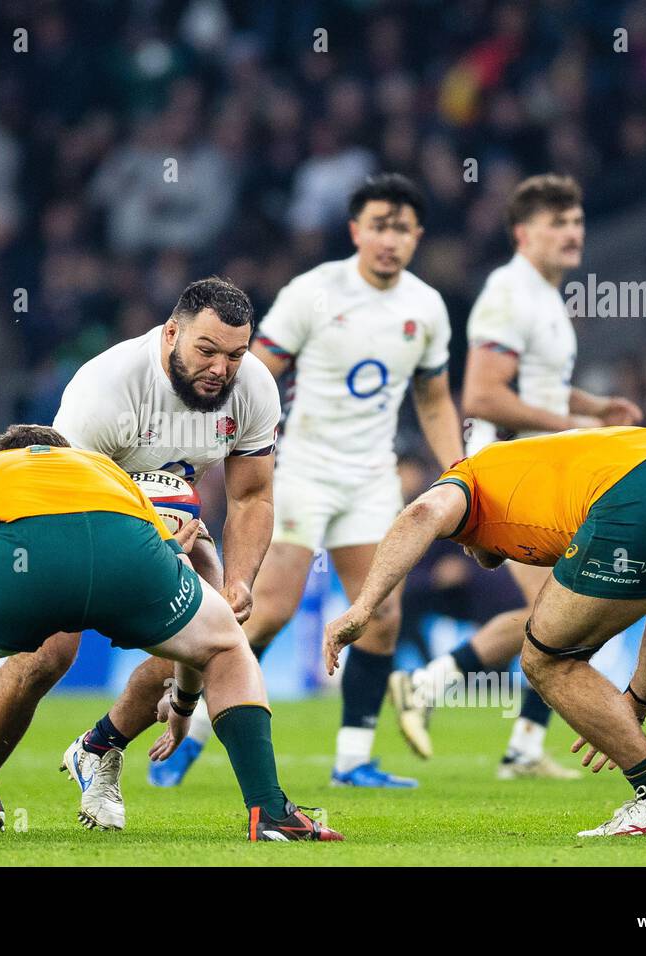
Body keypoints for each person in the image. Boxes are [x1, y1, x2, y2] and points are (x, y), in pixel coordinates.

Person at [0, 277, 280, 831]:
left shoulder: (254, 387)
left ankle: (91, 749)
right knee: (49, 657)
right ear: (172, 333)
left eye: (236, 355)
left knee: (215, 627)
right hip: (94, 517)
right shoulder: (107, 384)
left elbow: (251, 496)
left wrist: (241, 580)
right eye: (207, 351)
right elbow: (59, 489)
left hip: (175, 524)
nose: (222, 369)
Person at [0, 425, 341, 843]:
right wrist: (182, 702)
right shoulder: (101, 470)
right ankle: (271, 811)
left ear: (2, 455)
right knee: (227, 646)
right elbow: (205, 585)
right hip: (126, 550)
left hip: (18, 562)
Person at [325, 426, 646, 837]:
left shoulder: (470, 477)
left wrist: (364, 606)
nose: (469, 553)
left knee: (545, 658)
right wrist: (632, 707)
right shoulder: (539, 472)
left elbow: (422, 514)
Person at [155, 173, 463, 789]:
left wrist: (460, 469)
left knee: (380, 615)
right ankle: (190, 729)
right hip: (302, 471)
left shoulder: (426, 307)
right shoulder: (312, 293)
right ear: (355, 230)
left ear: (417, 236)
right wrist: (217, 452)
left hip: (372, 479)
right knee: (267, 610)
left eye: (402, 228)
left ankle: (352, 760)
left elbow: (433, 398)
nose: (389, 239)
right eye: (378, 225)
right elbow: (250, 374)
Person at [392, 174, 642, 779]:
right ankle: (460, 706)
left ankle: (462, 704)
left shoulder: (546, 298)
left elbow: (539, 386)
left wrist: (591, 409)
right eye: (559, 223)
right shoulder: (508, 293)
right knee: (564, 618)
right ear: (523, 233)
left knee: (554, 620)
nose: (573, 232)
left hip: (543, 476)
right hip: (511, 478)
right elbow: (481, 393)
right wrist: (570, 426)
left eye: (577, 221)